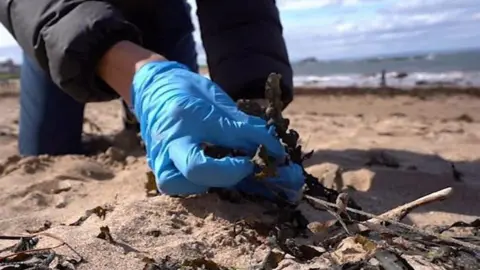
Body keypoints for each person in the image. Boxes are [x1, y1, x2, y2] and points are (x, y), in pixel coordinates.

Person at [0, 0, 304, 201]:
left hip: (159, 13)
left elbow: (243, 15)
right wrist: (147, 77)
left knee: (186, 125)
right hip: (60, 19)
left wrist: (251, 107)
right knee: (46, 149)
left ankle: (136, 121)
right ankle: (136, 102)